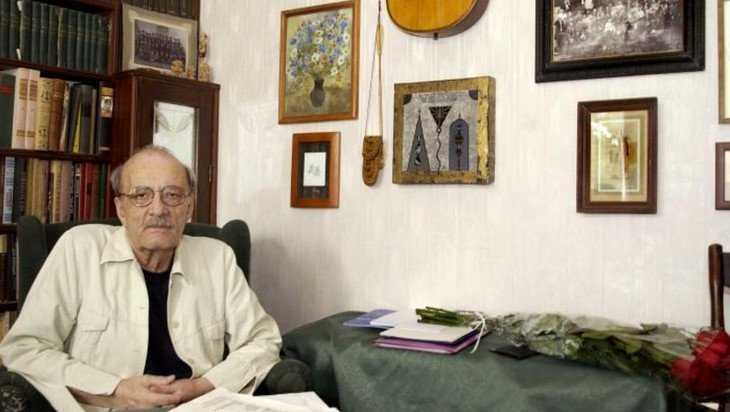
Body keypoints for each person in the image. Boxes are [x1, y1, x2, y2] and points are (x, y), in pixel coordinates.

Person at [0, 146, 282, 412]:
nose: (158, 209)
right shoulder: (79, 249)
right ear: (121, 209)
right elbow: (24, 349)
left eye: (172, 195)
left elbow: (263, 341)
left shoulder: (217, 258)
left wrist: (201, 387)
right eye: (141, 195)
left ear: (189, 207)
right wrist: (115, 389)